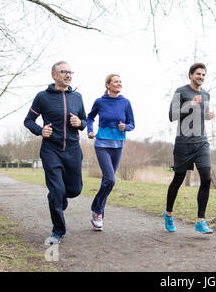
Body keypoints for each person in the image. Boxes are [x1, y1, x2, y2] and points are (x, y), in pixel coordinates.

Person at [24, 61, 87, 244]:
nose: (68, 75)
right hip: (51, 150)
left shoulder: (77, 97)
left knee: (74, 190)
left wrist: (80, 124)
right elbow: (28, 121)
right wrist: (40, 130)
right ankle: (57, 231)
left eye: (70, 72)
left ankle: (58, 198)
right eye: (63, 72)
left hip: (74, 150)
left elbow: (85, 119)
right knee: (57, 190)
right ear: (54, 75)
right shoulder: (42, 97)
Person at [164, 62, 215, 234]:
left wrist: (208, 115)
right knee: (178, 180)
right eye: (198, 74)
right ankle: (169, 213)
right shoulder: (181, 91)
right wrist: (190, 104)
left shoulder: (206, 94)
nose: (201, 77)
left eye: (203, 74)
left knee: (206, 179)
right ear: (190, 75)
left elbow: (201, 116)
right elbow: (172, 115)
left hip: (201, 142)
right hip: (183, 143)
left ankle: (201, 221)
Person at [86, 74, 135, 231]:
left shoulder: (125, 102)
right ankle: (97, 210)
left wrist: (125, 127)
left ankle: (98, 216)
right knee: (111, 180)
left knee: (107, 182)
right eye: (116, 81)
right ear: (108, 85)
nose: (119, 83)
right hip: (102, 144)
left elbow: (132, 124)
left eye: (121, 81)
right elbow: (89, 118)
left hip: (118, 145)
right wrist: (90, 131)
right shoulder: (100, 101)